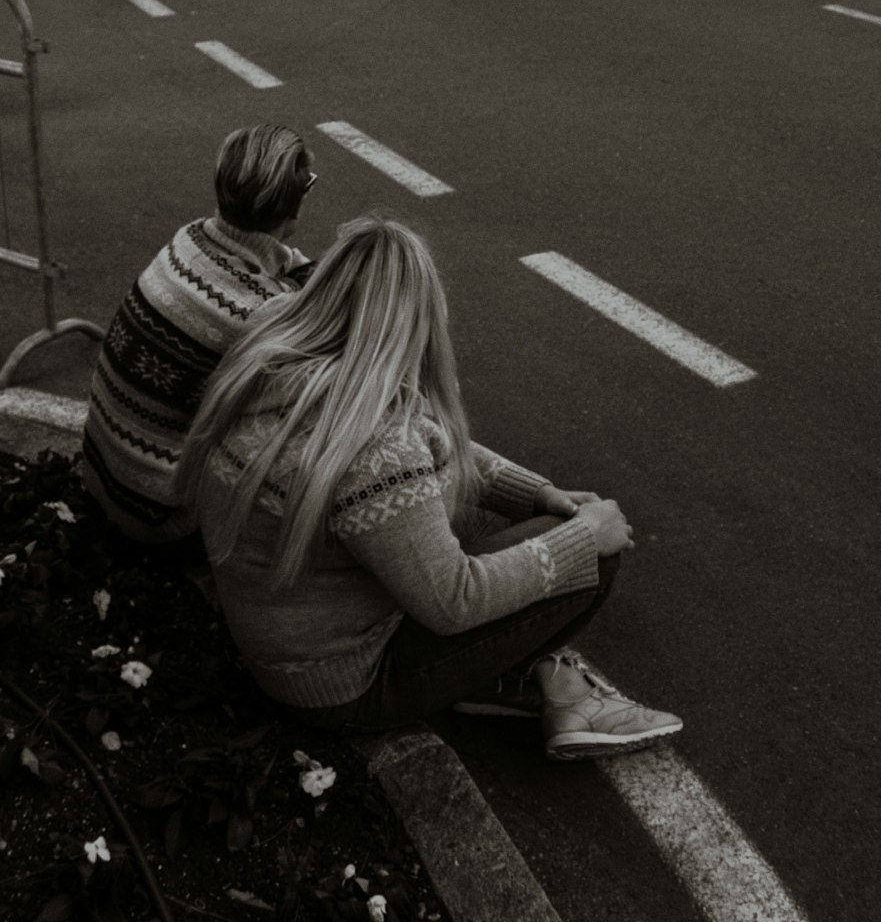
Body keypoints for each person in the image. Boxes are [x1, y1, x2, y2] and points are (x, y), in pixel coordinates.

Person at [176, 216, 682, 762]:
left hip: (288, 645)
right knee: (589, 560)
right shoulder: (374, 446)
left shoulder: (279, 353)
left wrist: (536, 493)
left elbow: (428, 446)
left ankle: (511, 679)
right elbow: (454, 600)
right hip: (346, 686)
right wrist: (583, 538)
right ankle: (539, 689)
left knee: (502, 523)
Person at [81, 124, 317, 544]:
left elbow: (278, 267)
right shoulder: (261, 309)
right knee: (308, 415)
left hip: (106, 475)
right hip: (160, 513)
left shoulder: (187, 240)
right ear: (294, 206)